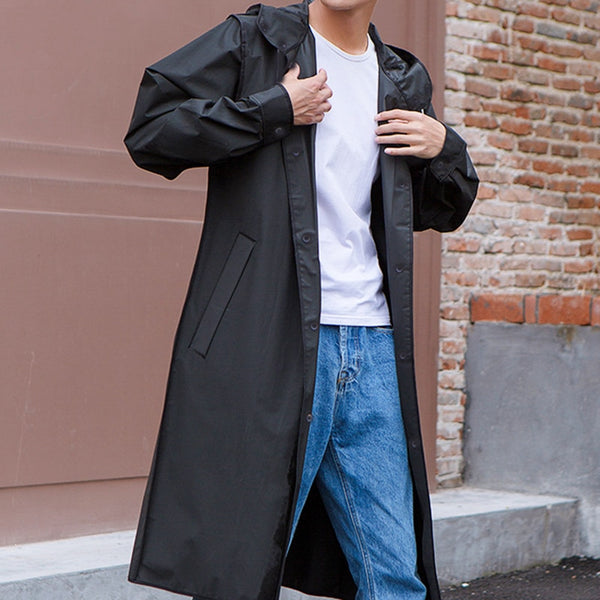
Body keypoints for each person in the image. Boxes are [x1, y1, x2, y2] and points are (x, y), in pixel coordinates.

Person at [124, 1, 478, 599]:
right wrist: (273, 109)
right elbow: (151, 132)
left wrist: (445, 148)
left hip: (371, 344)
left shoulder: (401, 78)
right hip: (272, 339)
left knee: (395, 574)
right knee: (240, 568)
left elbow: (438, 210)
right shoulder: (254, 41)